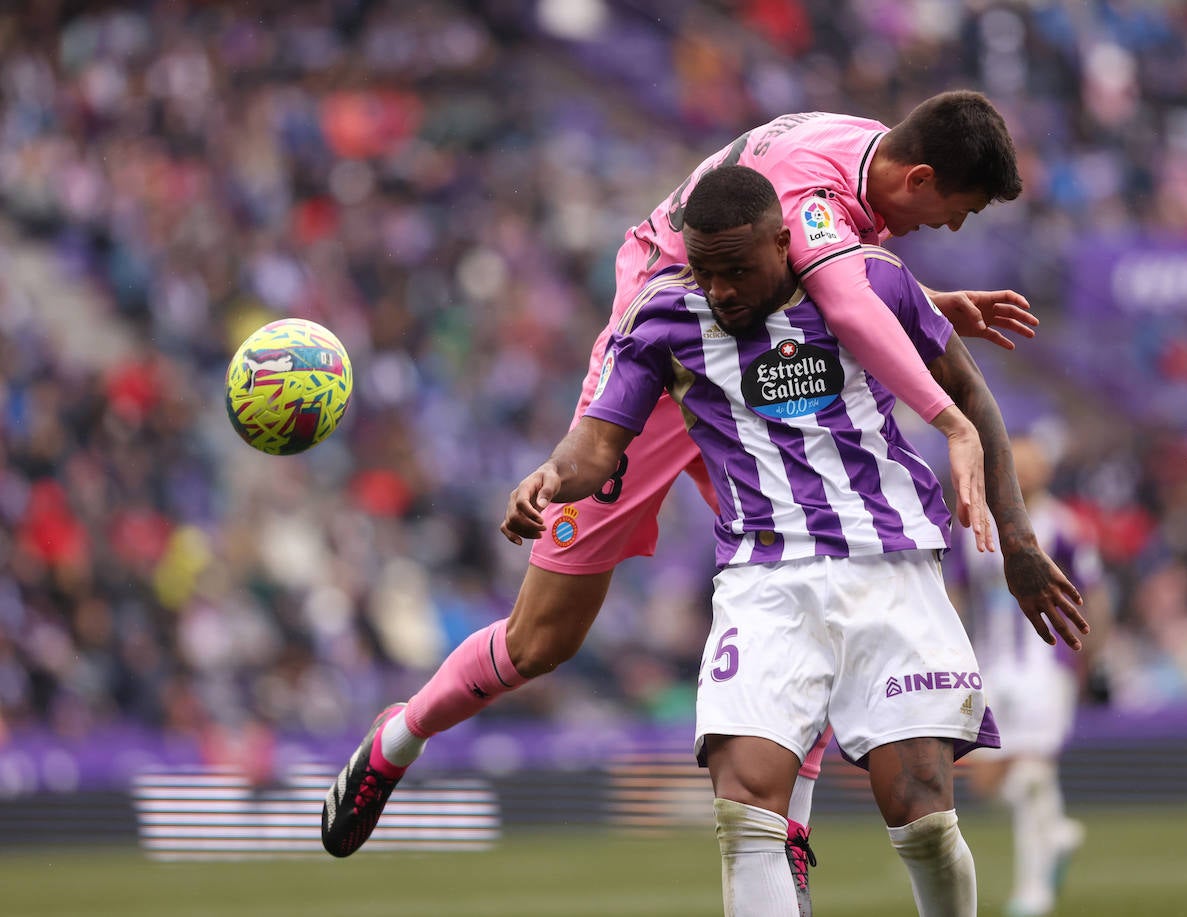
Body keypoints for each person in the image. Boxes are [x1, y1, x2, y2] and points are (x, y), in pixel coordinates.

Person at [321, 91, 1067, 873]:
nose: (947, 229)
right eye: (955, 212)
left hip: (765, 374)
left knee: (810, 553)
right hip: (669, 367)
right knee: (543, 637)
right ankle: (399, 737)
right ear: (917, 177)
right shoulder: (808, 203)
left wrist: (921, 306)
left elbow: (837, 283)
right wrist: (947, 420)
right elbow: (843, 292)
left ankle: (791, 828)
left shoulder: (854, 147)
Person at [499, 165, 1089, 916]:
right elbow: (598, 441)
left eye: (737, 270)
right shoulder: (661, 318)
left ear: (783, 242)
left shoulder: (868, 279)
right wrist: (551, 476)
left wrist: (1018, 542)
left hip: (891, 567)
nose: (720, 291)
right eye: (705, 271)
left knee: (923, 815)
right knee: (744, 806)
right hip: (763, 579)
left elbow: (971, 393)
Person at [954, 433, 1107, 917]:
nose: (1022, 472)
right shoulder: (974, 522)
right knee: (988, 777)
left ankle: (1033, 892)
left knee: (1034, 767)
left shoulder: (1063, 526)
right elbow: (956, 592)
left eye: (1031, 464)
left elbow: (1093, 595)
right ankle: (1056, 830)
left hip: (1046, 662)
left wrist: (1085, 657)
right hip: (989, 664)